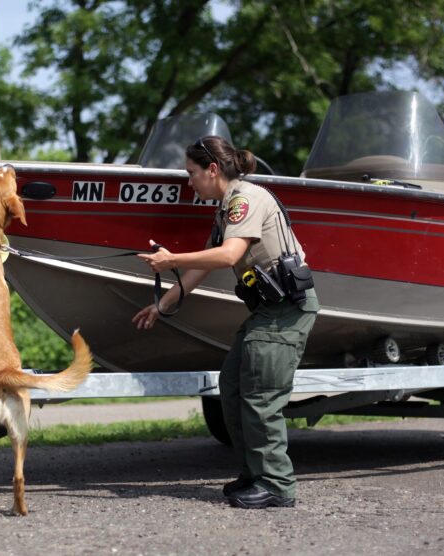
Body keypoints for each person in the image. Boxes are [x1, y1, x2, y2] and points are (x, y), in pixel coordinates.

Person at [132, 135, 319, 509]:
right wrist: (161, 306)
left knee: (261, 398)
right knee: (231, 387)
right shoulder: (226, 208)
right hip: (268, 313)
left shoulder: (243, 199)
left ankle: (278, 485)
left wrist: (171, 260)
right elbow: (202, 267)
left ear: (212, 170)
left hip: (285, 313)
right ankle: (255, 474)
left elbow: (228, 254)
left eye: (191, 174)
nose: (189, 182)